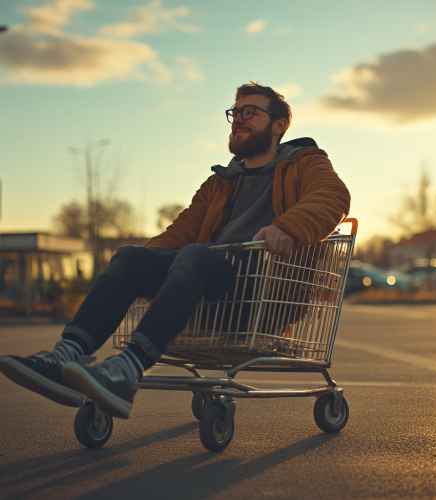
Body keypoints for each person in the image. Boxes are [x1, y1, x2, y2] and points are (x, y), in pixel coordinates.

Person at [0, 82, 350, 420]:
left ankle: (126, 370)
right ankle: (64, 359)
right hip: (205, 288)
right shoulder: (219, 183)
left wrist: (286, 228)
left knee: (197, 254)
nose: (239, 118)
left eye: (250, 111)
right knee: (131, 256)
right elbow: (180, 232)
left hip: (260, 294)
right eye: (235, 112)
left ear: (279, 125)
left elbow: (333, 197)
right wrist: (140, 269)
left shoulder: (305, 163)